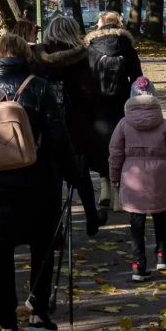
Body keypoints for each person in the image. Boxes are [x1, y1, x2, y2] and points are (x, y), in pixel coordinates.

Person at [0, 31, 83, 331]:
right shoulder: (39, 88)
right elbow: (59, 139)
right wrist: (76, 179)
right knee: (42, 247)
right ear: (26, 56)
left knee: (0, 255)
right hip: (36, 183)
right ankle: (39, 314)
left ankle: (7, 330)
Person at [108, 80, 166, 281]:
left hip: (133, 179)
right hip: (158, 178)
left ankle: (138, 265)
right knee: (160, 216)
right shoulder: (163, 124)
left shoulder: (124, 124)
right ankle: (163, 256)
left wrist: (114, 178)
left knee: (137, 223)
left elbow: (115, 153)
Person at [33, 15, 104, 234]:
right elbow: (90, 94)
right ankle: (91, 218)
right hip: (77, 126)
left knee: (51, 180)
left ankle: (55, 228)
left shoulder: (38, 58)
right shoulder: (82, 57)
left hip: (46, 127)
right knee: (80, 176)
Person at [83, 12, 145, 191]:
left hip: (98, 103)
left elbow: (86, 78)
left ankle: (104, 186)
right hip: (122, 102)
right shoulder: (126, 46)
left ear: (99, 24)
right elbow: (137, 77)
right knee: (122, 142)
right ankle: (119, 188)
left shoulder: (91, 47)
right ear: (119, 24)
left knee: (102, 142)